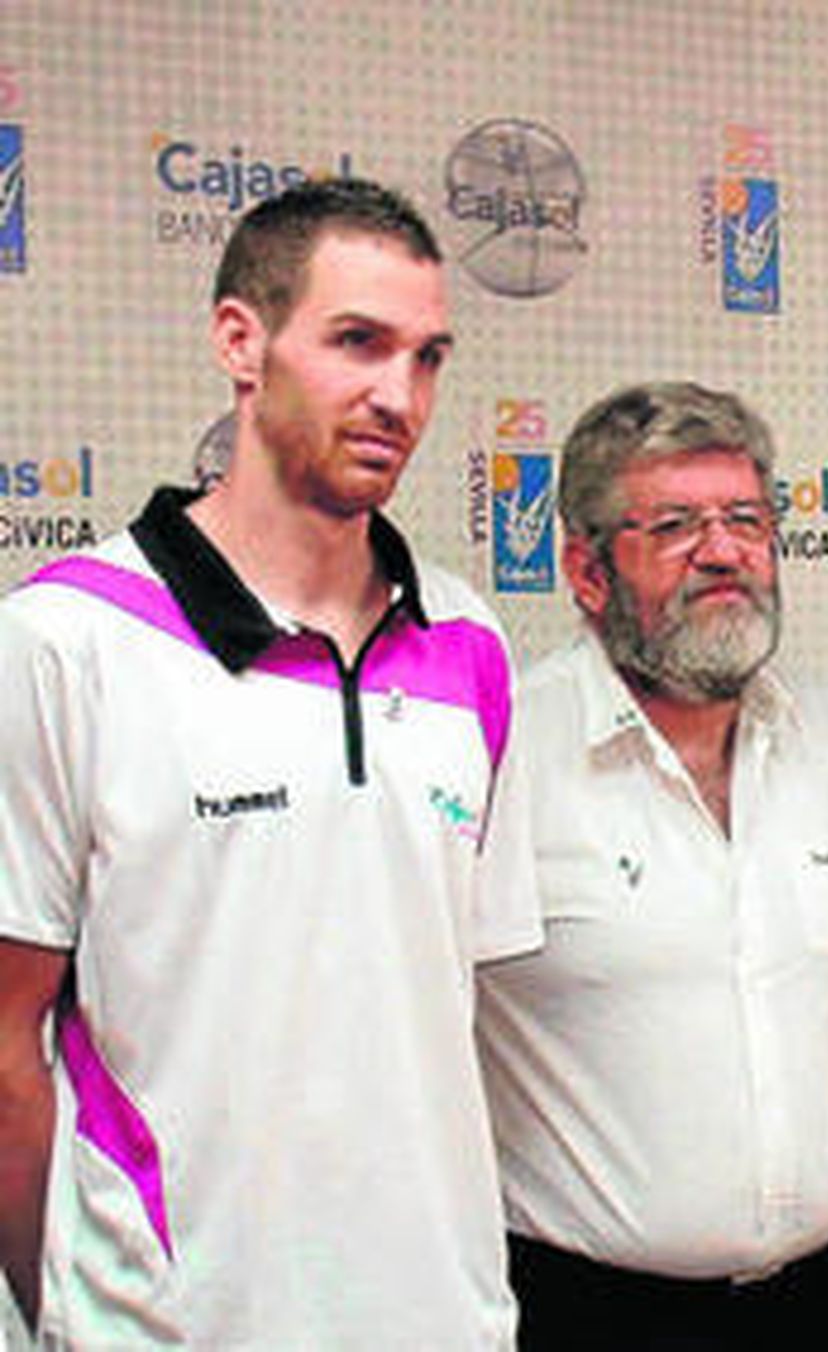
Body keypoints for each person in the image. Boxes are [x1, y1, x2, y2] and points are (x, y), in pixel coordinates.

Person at [0, 178, 539, 1347]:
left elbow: (448, 1020)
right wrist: (70, 1314)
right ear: (239, 341)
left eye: (427, 357)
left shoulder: (473, 644)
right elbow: (7, 1040)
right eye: (357, 342)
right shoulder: (68, 637)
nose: (398, 395)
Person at [476, 382, 828, 1350]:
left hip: (808, 1308)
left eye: (745, 518)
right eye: (675, 526)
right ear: (584, 569)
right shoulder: (500, 755)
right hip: (583, 1313)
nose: (723, 550)